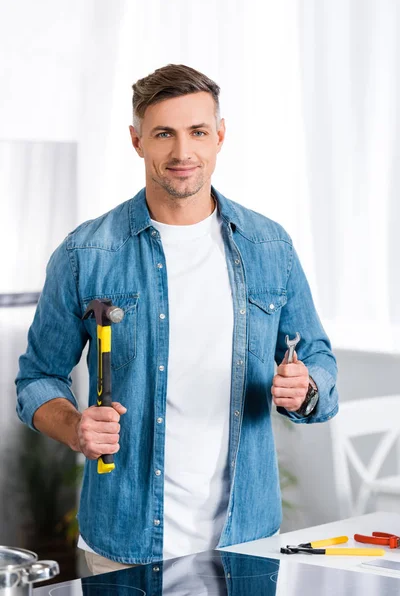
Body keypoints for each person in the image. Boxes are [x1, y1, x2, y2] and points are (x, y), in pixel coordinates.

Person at [16, 64, 338, 574]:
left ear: (220, 136)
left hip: (248, 539)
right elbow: (36, 378)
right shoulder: (86, 253)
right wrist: (75, 426)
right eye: (163, 133)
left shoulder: (270, 246)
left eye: (198, 132)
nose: (182, 152)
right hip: (124, 541)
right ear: (136, 140)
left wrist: (307, 388)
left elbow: (318, 360)